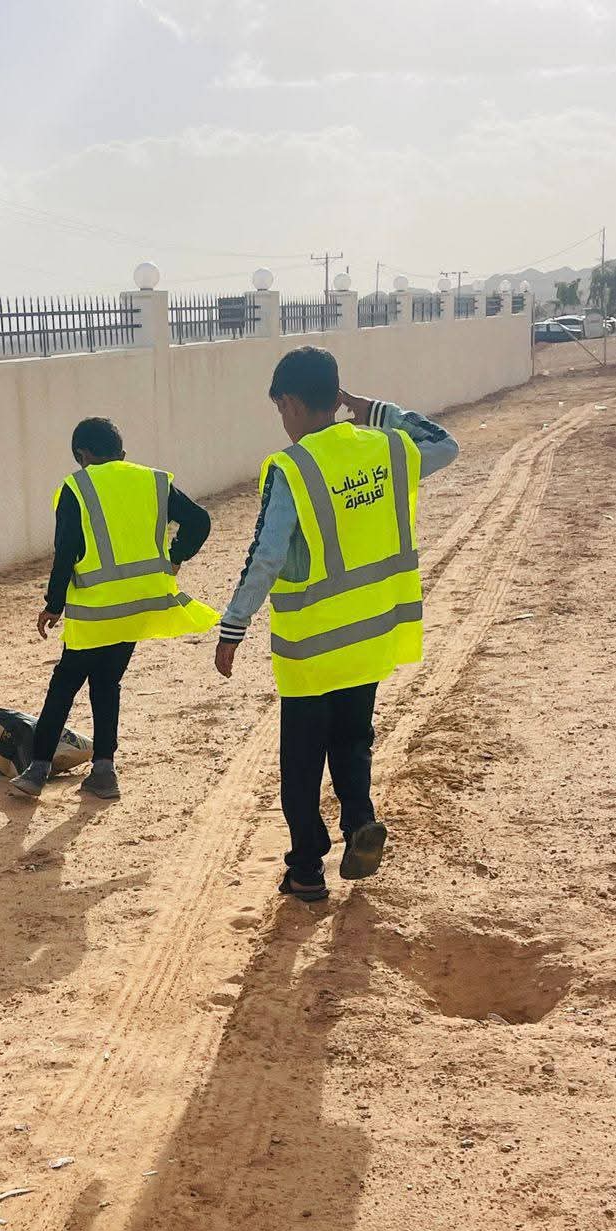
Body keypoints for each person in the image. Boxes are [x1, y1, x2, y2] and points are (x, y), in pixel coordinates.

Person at [214, 346, 458, 900]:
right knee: (353, 739)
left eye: (281, 408)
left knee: (302, 760)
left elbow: (267, 554)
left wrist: (233, 625)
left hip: (310, 645)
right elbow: (445, 443)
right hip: (371, 633)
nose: (283, 419)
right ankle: (359, 821)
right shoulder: (387, 447)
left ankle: (306, 868)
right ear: (335, 395)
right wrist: (371, 409)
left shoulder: (293, 467)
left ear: (292, 402)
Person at [10, 417, 219, 800]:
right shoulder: (153, 480)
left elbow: (65, 551)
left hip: (95, 611)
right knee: (107, 683)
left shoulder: (77, 487)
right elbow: (199, 520)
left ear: (82, 454)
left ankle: (37, 770)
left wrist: (53, 604)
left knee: (65, 683)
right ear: (122, 453)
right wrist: (176, 557)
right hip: (139, 606)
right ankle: (104, 771)